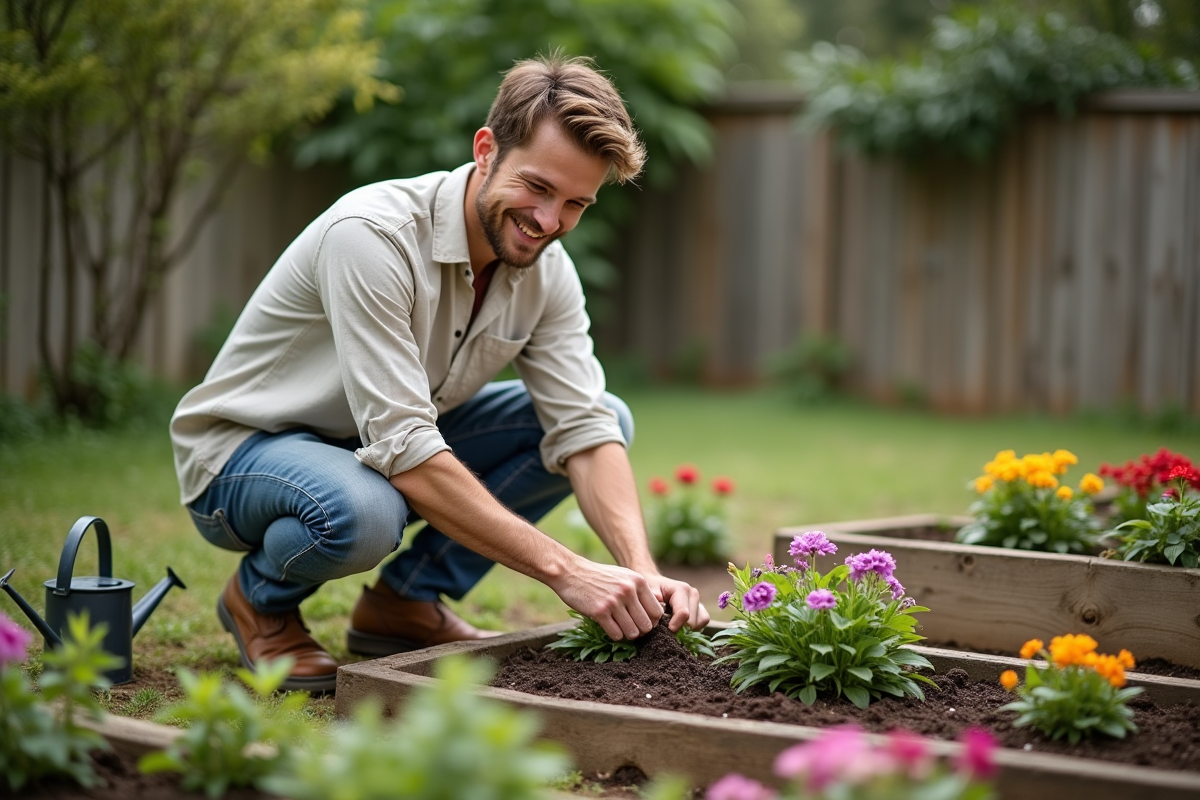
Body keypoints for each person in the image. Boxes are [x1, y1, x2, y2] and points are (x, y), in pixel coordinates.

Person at [169, 53, 710, 692]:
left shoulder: (547, 271)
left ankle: (403, 606)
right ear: (486, 150)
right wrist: (570, 571)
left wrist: (639, 571)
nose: (548, 222)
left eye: (575, 204)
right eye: (537, 187)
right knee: (364, 510)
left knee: (603, 418)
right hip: (244, 456)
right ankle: (257, 602)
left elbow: (585, 428)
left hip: (372, 449)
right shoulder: (373, 236)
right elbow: (404, 449)